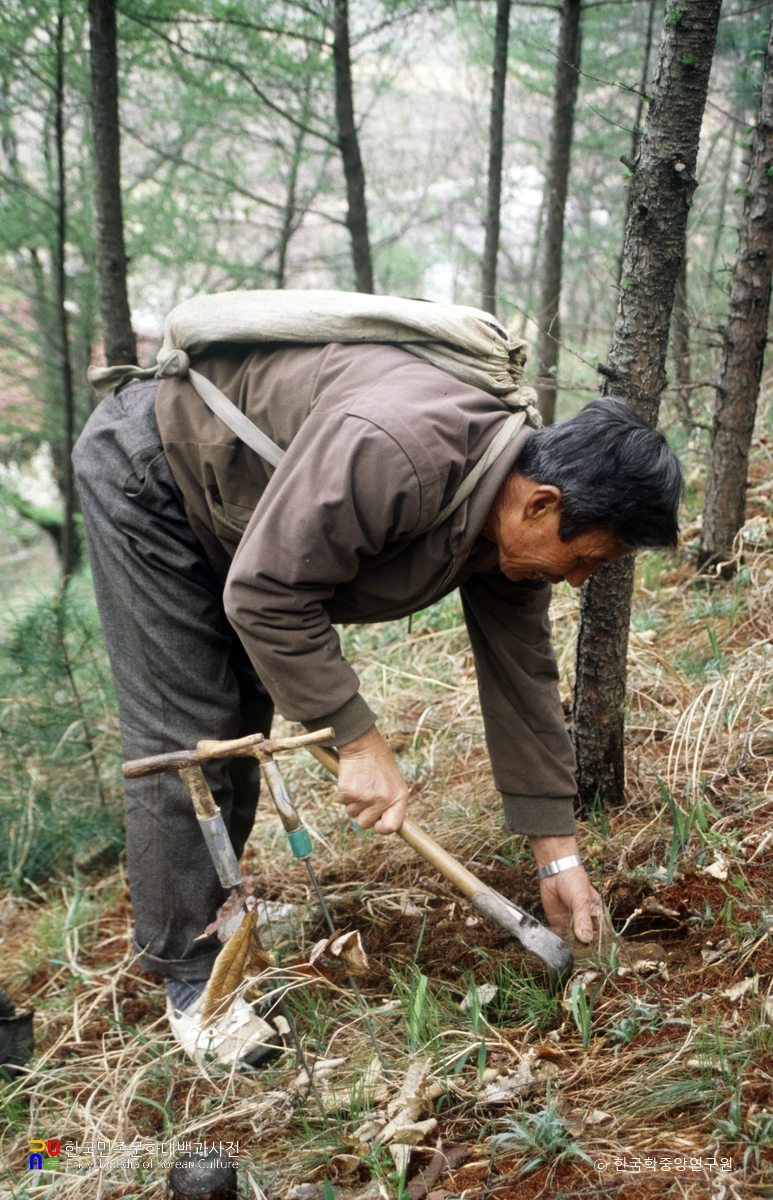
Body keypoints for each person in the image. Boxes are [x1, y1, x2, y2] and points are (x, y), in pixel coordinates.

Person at [73, 339, 682, 1063]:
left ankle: (215, 907)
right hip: (156, 470)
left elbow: (522, 676)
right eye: (583, 559)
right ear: (541, 503)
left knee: (243, 708)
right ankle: (192, 977)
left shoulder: (509, 512)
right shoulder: (398, 453)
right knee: (193, 733)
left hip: (244, 512)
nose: (578, 581)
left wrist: (558, 859)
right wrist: (358, 742)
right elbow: (266, 595)